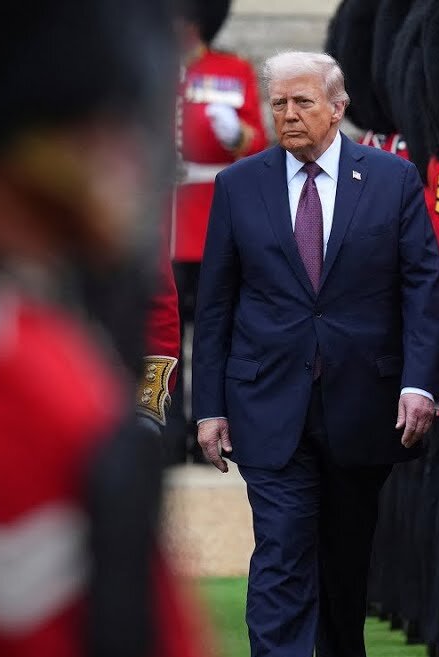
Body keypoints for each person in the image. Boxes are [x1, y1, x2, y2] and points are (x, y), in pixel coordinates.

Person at [192, 50, 439, 657]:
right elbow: (216, 304)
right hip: (268, 406)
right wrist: (209, 407)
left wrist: (420, 384)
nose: (289, 115)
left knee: (343, 565)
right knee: (280, 552)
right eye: (278, 103)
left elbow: (421, 289)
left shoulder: (391, 180)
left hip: (362, 406)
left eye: (302, 102)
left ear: (337, 106)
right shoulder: (240, 185)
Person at [166, 0, 268, 464]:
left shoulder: (231, 69)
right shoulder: (153, 62)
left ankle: (213, 426)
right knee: (164, 336)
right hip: (164, 215)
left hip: (212, 215)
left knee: (214, 332)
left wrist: (236, 137)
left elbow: (258, 142)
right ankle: (165, 432)